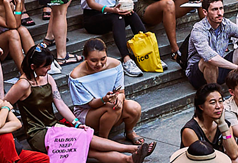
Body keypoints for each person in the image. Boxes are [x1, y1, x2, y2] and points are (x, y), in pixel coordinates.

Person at [6, 46, 154, 161]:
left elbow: (61, 104)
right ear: (33, 67)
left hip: (54, 126)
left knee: (85, 146)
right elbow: (4, 104)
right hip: (38, 133)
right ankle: (132, 149)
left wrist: (76, 123)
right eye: (45, 66)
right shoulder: (23, 85)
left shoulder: (48, 79)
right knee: (84, 138)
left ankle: (128, 159)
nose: (49, 69)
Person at [68, 39, 143, 142]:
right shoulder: (76, 76)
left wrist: (120, 98)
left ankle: (129, 132)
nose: (99, 64)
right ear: (85, 58)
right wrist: (105, 99)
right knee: (112, 106)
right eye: (93, 60)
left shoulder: (115, 65)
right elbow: (92, 104)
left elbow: (120, 92)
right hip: (87, 113)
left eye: (103, 59)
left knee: (134, 107)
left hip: (110, 105)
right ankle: (103, 140)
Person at [186, 0, 238, 89]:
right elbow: (210, 58)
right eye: (214, 9)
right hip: (198, 74)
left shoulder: (226, 24)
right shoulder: (198, 29)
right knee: (209, 61)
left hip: (219, 67)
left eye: (221, 8)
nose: (219, 13)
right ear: (205, 12)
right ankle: (215, 94)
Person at [181, 84, 238, 162]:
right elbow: (201, 160)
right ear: (201, 107)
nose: (218, 106)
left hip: (216, 160)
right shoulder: (190, 131)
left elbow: (234, 154)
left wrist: (224, 128)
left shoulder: (224, 124)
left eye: (220, 101)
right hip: (201, 161)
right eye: (213, 103)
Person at [0, 0, 35, 76]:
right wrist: (7, 4)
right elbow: (12, 26)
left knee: (22, 30)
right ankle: (25, 74)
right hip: (1, 50)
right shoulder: (7, 1)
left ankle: (37, 63)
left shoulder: (9, 0)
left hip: (12, 46)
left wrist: (19, 3)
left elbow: (17, 24)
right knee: (13, 33)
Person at [0, 98, 49, 163]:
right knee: (6, 135)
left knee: (43, 159)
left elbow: (17, 124)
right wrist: (5, 108)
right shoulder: (4, 107)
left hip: (15, 152)